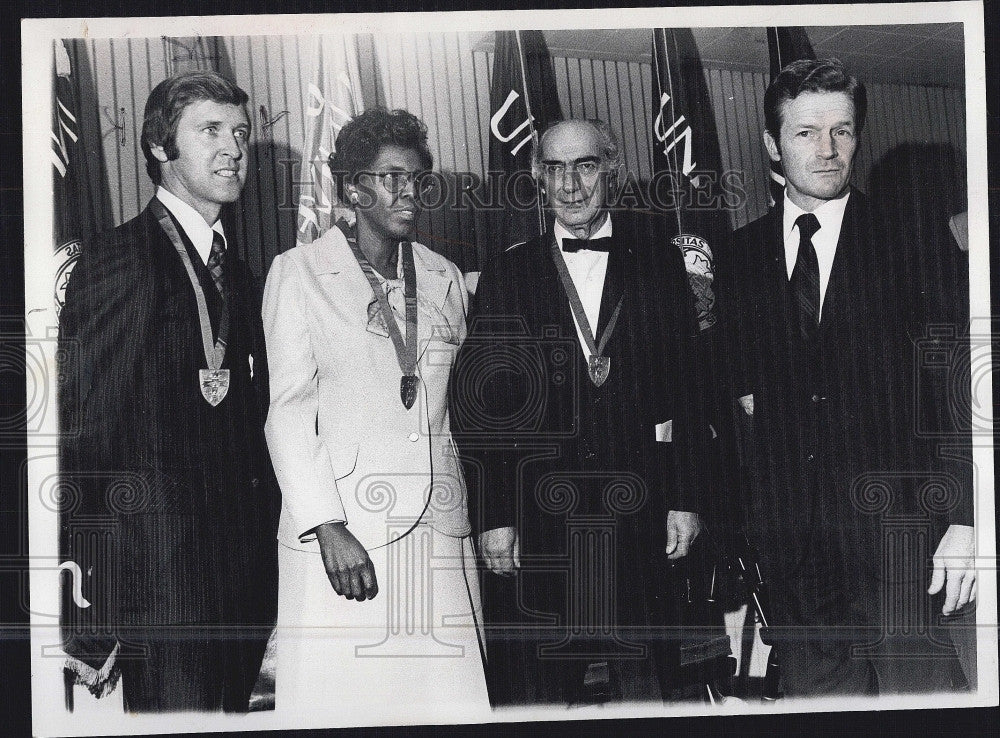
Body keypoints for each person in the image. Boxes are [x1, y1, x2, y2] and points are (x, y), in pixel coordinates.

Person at [717, 58, 976, 697]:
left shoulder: (915, 241)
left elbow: (958, 385)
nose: (829, 151)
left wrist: (968, 518)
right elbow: (727, 400)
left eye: (844, 131)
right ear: (772, 146)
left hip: (902, 533)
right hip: (792, 545)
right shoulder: (737, 256)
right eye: (807, 133)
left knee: (922, 700)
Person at [451, 118, 713, 706]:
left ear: (611, 171)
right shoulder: (508, 271)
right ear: (538, 178)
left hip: (643, 508)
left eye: (586, 165)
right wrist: (494, 513)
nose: (571, 184)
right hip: (541, 513)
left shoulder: (660, 260)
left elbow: (692, 389)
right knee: (537, 691)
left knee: (647, 684)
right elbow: (485, 406)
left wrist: (686, 497)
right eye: (555, 168)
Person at [58, 70, 276, 712]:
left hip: (240, 577)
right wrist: (92, 595)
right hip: (159, 580)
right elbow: (86, 433)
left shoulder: (242, 269)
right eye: (209, 130)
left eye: (239, 132)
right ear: (159, 145)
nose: (233, 148)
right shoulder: (120, 260)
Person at [262, 108, 489, 717]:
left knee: (446, 702)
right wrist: (326, 526)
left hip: (438, 529)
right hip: (347, 536)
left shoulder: (444, 277)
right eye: (391, 178)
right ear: (351, 189)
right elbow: (286, 414)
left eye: (417, 179)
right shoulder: (299, 273)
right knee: (348, 705)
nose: (408, 193)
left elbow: (455, 411)